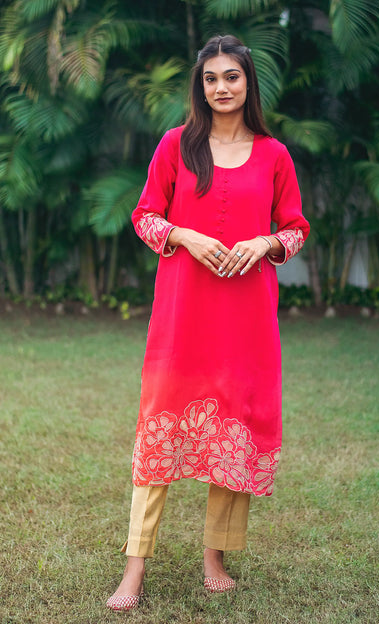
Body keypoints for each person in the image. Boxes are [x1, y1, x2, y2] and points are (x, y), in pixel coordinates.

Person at [106, 34, 310, 612]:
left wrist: (265, 240)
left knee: (233, 432)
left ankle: (215, 556)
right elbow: (144, 216)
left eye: (232, 77)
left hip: (245, 320)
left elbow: (295, 227)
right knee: (159, 434)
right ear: (201, 87)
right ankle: (134, 566)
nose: (221, 87)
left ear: (249, 83)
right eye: (211, 79)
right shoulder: (176, 145)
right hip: (183, 315)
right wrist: (184, 234)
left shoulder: (274, 154)